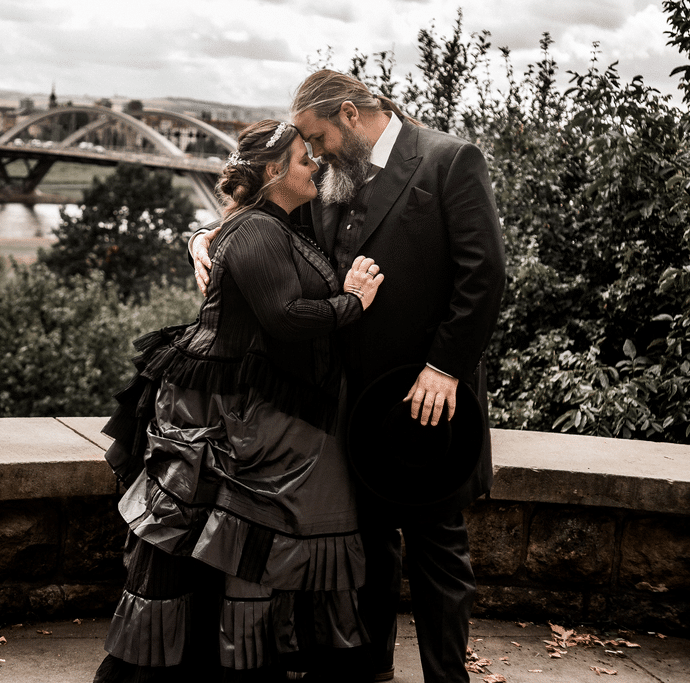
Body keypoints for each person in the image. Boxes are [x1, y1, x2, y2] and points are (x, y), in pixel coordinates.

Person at [190, 71, 506, 683]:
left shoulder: (448, 160)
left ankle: (447, 679)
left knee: (437, 549)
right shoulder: (333, 178)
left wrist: (444, 368)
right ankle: (370, 672)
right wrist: (206, 237)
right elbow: (270, 226)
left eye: (317, 138)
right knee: (369, 546)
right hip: (351, 406)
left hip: (429, 399)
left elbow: (484, 273)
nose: (313, 153)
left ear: (349, 114)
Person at [95, 119, 385, 682]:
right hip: (228, 409)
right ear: (274, 171)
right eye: (303, 159)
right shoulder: (258, 229)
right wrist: (353, 301)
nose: (315, 165)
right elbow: (284, 317)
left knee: (237, 539)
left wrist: (200, 236)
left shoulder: (276, 222)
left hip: (258, 404)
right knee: (221, 535)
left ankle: (232, 659)